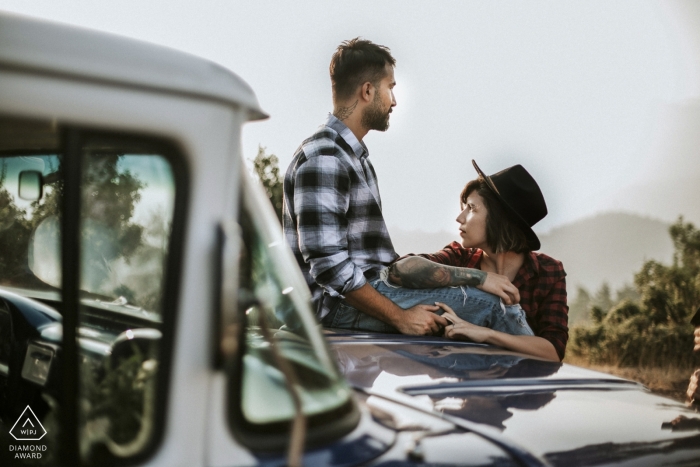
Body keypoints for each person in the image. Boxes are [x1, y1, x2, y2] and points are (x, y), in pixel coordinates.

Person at [283, 38, 525, 337]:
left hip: (369, 290)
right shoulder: (325, 159)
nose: (394, 100)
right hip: (336, 306)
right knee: (495, 306)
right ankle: (543, 383)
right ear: (368, 91)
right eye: (390, 87)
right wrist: (400, 317)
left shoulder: (352, 157)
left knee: (476, 305)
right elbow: (330, 269)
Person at [388, 161, 568, 361]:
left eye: (471, 208)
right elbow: (400, 269)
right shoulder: (459, 258)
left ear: (500, 218)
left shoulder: (549, 272)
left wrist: (486, 333)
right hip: (465, 382)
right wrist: (480, 278)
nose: (460, 218)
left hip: (521, 387)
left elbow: (554, 351)